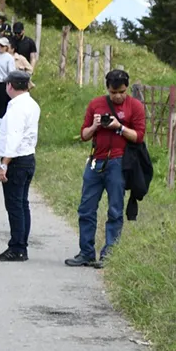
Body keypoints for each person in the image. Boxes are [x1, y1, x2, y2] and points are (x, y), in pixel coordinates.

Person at [66, 69, 147, 268]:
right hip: (96, 161)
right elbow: (84, 135)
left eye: (121, 91)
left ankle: (108, 254)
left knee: (115, 210)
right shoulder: (96, 104)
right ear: (107, 89)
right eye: (113, 92)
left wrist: (118, 127)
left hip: (119, 163)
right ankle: (86, 253)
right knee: (86, 208)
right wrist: (95, 126)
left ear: (127, 88)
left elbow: (139, 136)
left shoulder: (135, 106)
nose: (118, 96)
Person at [0, 71, 39, 262]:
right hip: (28, 158)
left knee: (14, 206)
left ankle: (17, 247)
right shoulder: (31, 104)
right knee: (22, 204)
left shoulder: (16, 109)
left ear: (10, 86)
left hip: (16, 160)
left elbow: (13, 138)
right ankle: (21, 245)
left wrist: (4, 164)